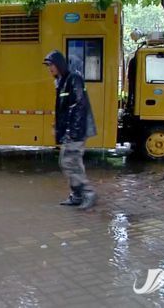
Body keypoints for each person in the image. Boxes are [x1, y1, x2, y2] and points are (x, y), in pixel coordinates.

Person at [43, 50, 98, 210]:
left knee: (69, 162)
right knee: (70, 162)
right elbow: (64, 109)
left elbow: (79, 107)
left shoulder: (73, 79)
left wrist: (71, 132)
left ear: (59, 64)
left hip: (76, 131)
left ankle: (87, 193)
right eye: (48, 66)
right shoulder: (62, 81)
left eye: (51, 65)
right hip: (71, 130)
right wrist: (58, 128)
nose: (50, 68)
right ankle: (77, 195)